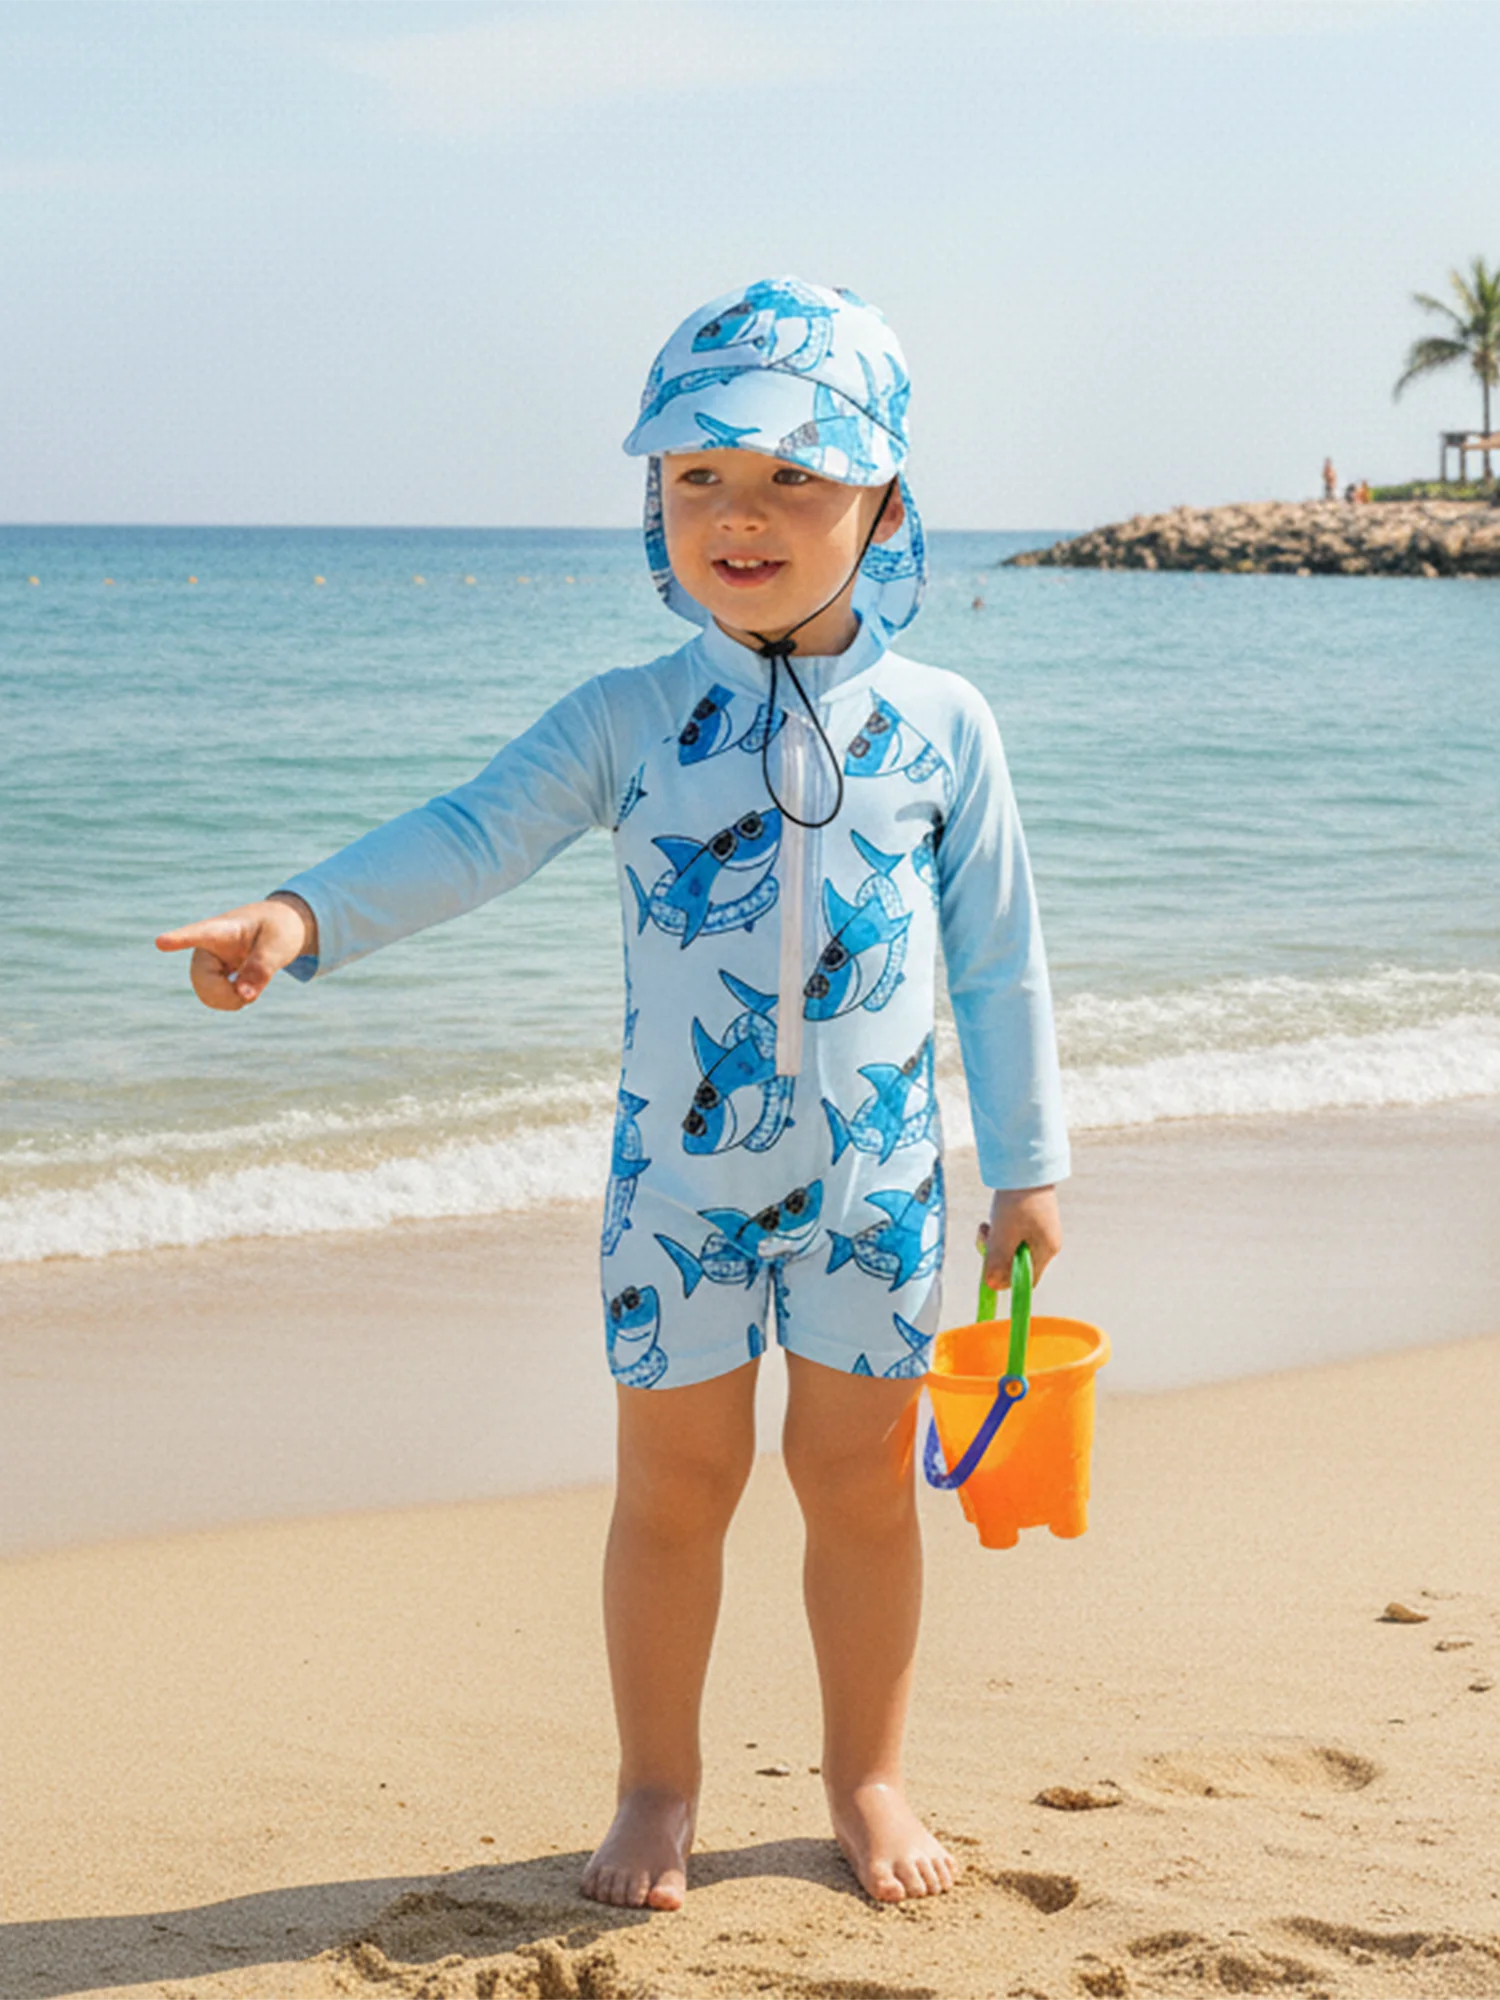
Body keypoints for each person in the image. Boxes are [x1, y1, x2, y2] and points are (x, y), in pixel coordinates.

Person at [156, 279, 1069, 1911]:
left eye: (790, 476)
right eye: (698, 475)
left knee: (862, 1490)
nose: (739, 513)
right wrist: (300, 918)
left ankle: (867, 1776)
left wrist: (1028, 1169)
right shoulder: (632, 718)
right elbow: (470, 833)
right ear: (656, 502)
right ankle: (658, 1786)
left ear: (884, 503)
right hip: (677, 1193)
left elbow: (1001, 964)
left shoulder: (944, 726)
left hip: (877, 1196)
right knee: (671, 1494)